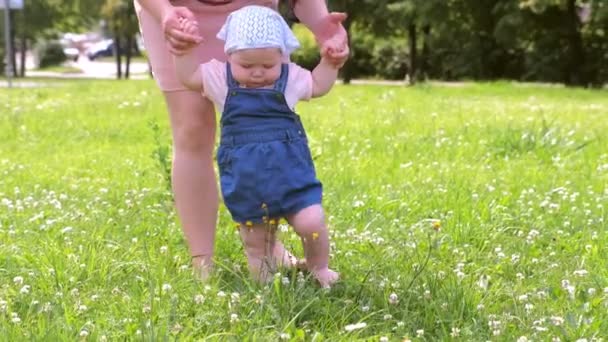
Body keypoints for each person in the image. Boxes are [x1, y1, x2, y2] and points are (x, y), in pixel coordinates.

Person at [134, 0, 349, 279]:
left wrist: (323, 26)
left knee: (268, 104)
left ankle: (271, 247)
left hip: (256, 23)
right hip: (178, 15)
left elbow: (316, 83)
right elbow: (189, 76)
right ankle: (203, 260)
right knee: (192, 127)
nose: (258, 72)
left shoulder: (266, 55)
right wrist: (165, 13)